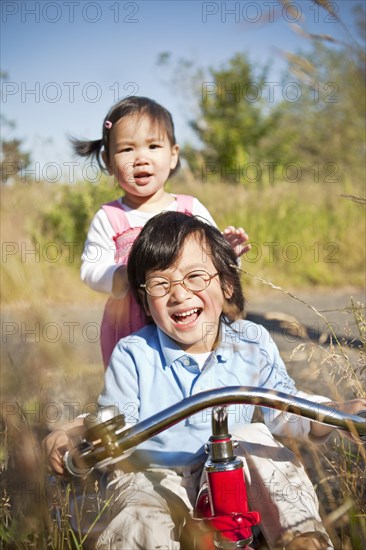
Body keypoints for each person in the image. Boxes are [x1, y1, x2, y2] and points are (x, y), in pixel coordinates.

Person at [44, 212, 366, 550]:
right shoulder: (134, 353)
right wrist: (71, 432)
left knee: (255, 438)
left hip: (232, 473)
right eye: (160, 284)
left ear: (226, 284)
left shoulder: (252, 341)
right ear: (145, 301)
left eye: (195, 277)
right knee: (137, 498)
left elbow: (284, 406)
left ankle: (301, 538)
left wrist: (338, 414)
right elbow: (114, 421)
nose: (179, 295)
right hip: (160, 476)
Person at [74, 96, 250, 368]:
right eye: (126, 150)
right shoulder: (110, 217)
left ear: (173, 155)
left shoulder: (190, 208)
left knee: (200, 374)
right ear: (108, 161)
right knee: (140, 384)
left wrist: (229, 255)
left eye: (153, 146)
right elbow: (91, 270)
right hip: (131, 324)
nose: (140, 159)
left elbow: (216, 265)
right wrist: (120, 276)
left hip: (187, 311)